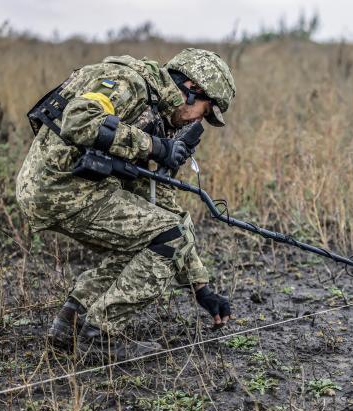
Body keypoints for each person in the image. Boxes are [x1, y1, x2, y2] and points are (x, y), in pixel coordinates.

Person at [16, 48, 234, 362]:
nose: (200, 119)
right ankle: (100, 337)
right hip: (60, 188)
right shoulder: (128, 81)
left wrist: (202, 288)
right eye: (206, 110)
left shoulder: (154, 111)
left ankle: (69, 325)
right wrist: (156, 147)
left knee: (155, 235)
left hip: (73, 189)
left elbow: (166, 210)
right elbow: (78, 119)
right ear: (192, 89)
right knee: (166, 238)